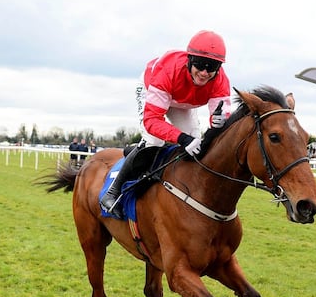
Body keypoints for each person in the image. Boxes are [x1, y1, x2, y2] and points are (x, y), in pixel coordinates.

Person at [99, 30, 232, 213]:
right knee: (155, 140)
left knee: (197, 146)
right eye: (200, 65)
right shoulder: (168, 70)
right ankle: (113, 191)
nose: (204, 72)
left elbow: (220, 120)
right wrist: (182, 139)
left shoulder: (220, 80)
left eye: (212, 67)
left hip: (182, 102)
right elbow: (152, 121)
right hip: (154, 88)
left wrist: (218, 121)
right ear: (190, 60)